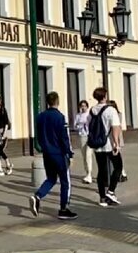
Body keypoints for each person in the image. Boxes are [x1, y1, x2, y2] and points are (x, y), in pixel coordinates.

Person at [29, 91, 78, 220]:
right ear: (57, 101)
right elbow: (64, 137)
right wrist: (69, 154)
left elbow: (39, 135)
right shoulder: (60, 117)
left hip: (47, 153)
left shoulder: (40, 117)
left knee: (51, 178)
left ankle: (37, 196)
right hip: (59, 153)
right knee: (65, 181)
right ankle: (63, 209)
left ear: (47, 102)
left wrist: (43, 147)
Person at [88, 87, 123, 207]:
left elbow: (89, 126)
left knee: (101, 170)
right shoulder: (111, 110)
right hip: (109, 144)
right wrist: (116, 143)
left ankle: (102, 198)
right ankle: (111, 192)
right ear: (105, 96)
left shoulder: (92, 110)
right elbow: (115, 127)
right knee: (118, 167)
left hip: (97, 145)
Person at [73, 100, 93, 184]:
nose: (83, 107)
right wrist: (79, 126)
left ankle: (89, 174)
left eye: (84, 106)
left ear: (87, 107)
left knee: (88, 155)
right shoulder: (78, 115)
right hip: (82, 136)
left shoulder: (90, 115)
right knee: (84, 156)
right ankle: (87, 173)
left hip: (90, 136)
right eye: (82, 106)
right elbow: (75, 126)